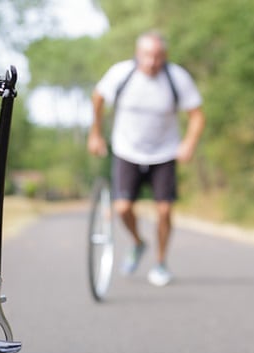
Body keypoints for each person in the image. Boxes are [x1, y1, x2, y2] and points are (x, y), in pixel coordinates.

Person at [88, 31, 205, 286]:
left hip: (164, 153)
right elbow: (98, 99)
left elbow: (197, 115)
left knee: (164, 210)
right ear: (137, 54)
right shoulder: (121, 74)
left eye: (158, 56)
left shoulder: (177, 78)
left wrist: (189, 144)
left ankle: (161, 263)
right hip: (126, 150)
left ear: (166, 56)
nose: (153, 62)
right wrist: (95, 133)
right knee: (123, 208)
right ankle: (139, 243)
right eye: (148, 56)